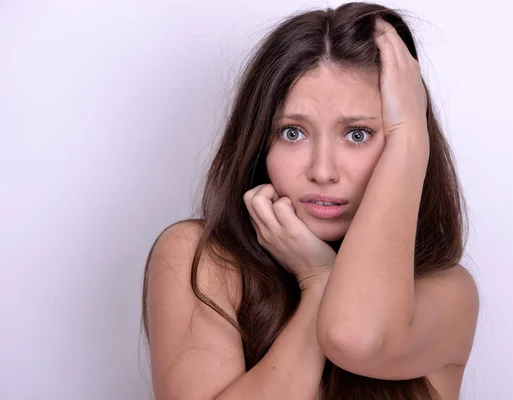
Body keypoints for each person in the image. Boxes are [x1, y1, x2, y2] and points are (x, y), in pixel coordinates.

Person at [141, 2, 479, 399]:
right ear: (258, 144)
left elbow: (357, 336)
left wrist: (409, 135)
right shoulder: (199, 259)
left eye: (357, 135)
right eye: (292, 133)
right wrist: (317, 284)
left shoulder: (446, 292)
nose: (322, 171)